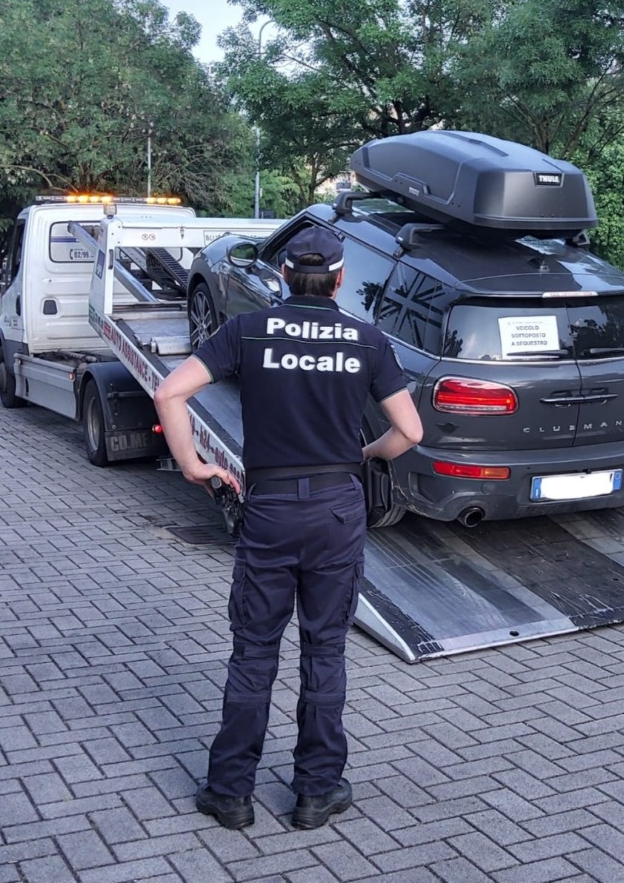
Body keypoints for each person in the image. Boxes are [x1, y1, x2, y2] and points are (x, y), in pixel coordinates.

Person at [154, 225, 423, 831]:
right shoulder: (367, 339)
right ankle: (315, 792)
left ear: (283, 275)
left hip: (270, 507)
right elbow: (411, 432)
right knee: (325, 649)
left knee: (254, 650)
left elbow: (170, 392)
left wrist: (194, 466)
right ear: (339, 279)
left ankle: (230, 793)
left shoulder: (248, 330)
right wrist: (365, 454)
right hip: (336, 509)